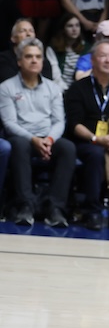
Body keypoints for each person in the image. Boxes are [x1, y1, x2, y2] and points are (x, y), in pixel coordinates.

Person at [64, 40, 109, 231]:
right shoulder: (78, 88)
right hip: (86, 141)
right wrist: (96, 139)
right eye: (103, 56)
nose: (108, 60)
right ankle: (93, 211)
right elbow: (74, 124)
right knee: (97, 155)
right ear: (93, 60)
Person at [0, 37, 73, 227]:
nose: (34, 60)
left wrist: (48, 139)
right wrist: (34, 139)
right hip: (23, 138)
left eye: (38, 57)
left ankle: (55, 208)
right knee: (17, 143)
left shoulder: (53, 88)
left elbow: (59, 121)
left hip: (47, 139)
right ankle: (26, 205)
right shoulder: (6, 87)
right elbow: (9, 123)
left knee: (68, 148)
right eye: (29, 57)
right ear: (19, 61)